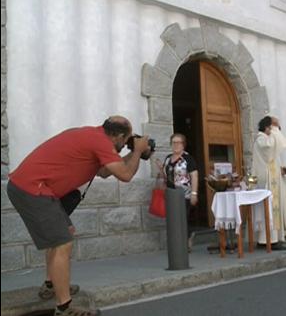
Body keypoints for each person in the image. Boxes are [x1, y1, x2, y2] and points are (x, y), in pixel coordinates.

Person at [7, 116, 151, 316]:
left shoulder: (94, 135)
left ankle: (51, 286)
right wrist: (136, 151)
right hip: (32, 189)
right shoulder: (101, 142)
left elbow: (103, 172)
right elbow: (125, 175)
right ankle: (64, 308)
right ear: (118, 136)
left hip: (33, 187)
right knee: (62, 242)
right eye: (126, 139)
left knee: (63, 234)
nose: (127, 142)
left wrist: (132, 154)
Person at [252, 116, 286, 251]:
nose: (272, 130)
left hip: (271, 178)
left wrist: (282, 169)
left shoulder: (265, 139)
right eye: (271, 127)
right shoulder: (262, 139)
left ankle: (268, 239)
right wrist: (275, 130)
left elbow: (274, 157)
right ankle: (270, 240)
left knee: (270, 210)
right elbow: (270, 150)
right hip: (267, 181)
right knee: (269, 210)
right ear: (267, 127)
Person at [157, 133, 199, 252]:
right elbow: (166, 176)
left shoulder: (187, 159)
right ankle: (178, 243)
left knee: (182, 218)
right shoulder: (168, 158)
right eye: (173, 143)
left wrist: (194, 194)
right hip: (170, 194)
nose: (175, 145)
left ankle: (186, 240)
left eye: (178, 142)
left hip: (183, 194)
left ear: (183, 145)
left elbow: (194, 176)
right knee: (173, 219)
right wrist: (161, 169)